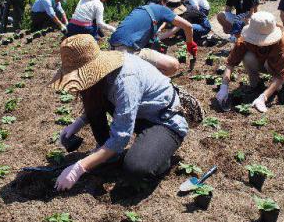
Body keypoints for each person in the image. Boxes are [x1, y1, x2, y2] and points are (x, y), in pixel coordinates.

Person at [51, 35, 188, 191]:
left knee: (136, 170)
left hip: (162, 119)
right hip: (137, 112)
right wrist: (78, 123)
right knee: (92, 99)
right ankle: (109, 155)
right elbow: (96, 103)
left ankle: (159, 156)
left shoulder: (125, 80)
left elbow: (120, 138)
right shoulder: (101, 76)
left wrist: (80, 167)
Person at [215, 12, 284, 113]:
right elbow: (230, 63)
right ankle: (256, 85)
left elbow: (280, 75)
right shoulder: (245, 38)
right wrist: (224, 86)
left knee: (272, 67)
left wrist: (264, 97)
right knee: (248, 57)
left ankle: (279, 89)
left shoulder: (282, 45)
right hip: (262, 61)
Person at [109, 0, 196, 76]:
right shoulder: (161, 8)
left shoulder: (140, 9)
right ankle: (149, 82)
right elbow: (188, 26)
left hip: (111, 49)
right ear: (163, 0)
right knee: (173, 65)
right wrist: (190, 44)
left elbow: (156, 35)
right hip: (127, 53)